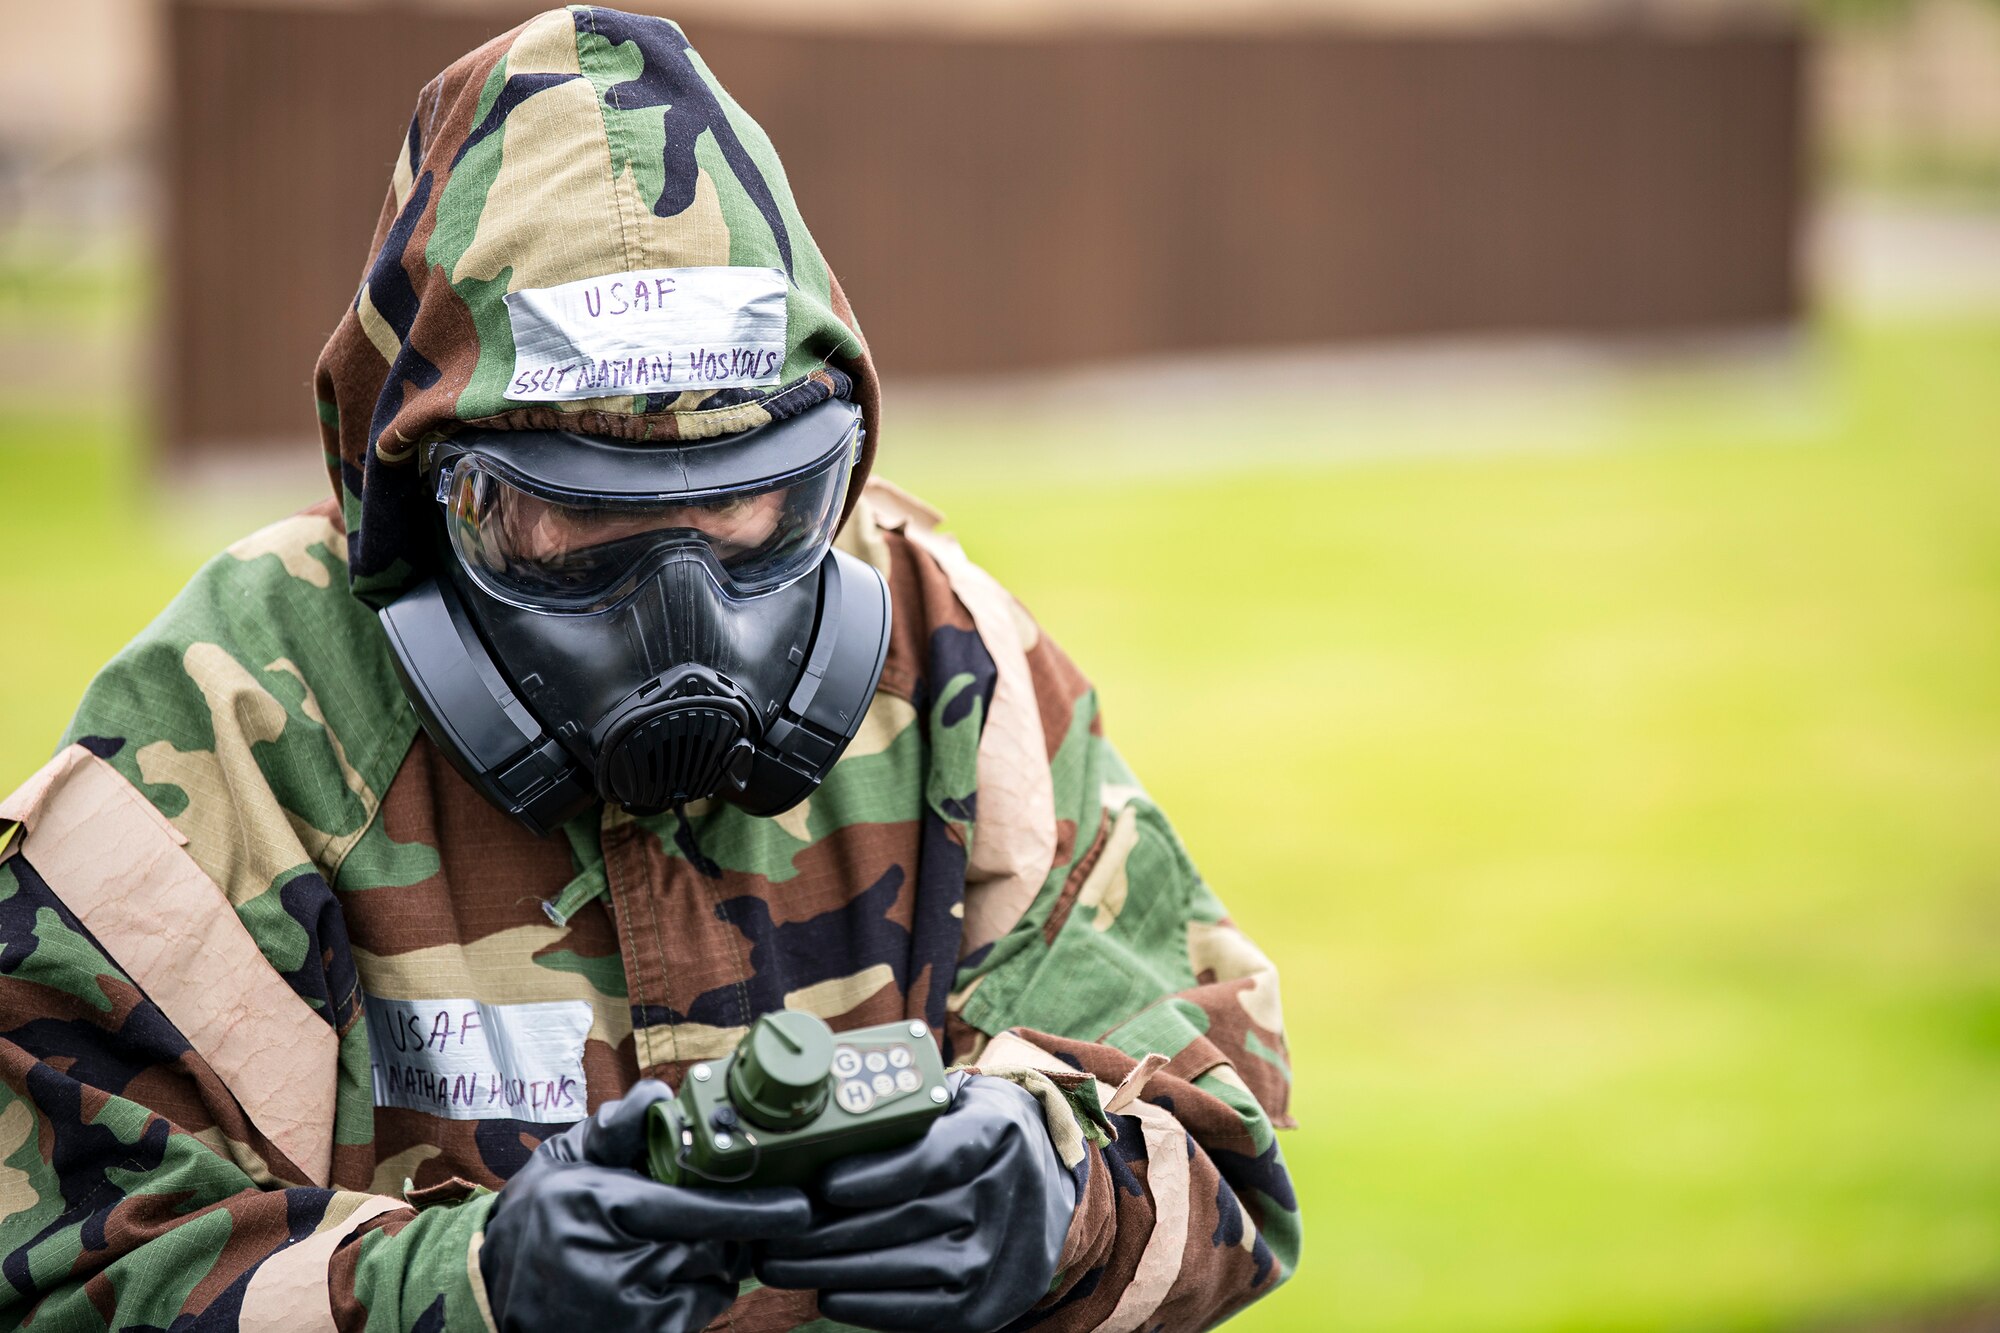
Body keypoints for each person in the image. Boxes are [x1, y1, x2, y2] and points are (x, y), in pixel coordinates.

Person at [0, 9, 1299, 1331]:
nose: (688, 626)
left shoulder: (944, 648)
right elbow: (66, 1269)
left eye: (751, 516)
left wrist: (1061, 1196)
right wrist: (466, 1291)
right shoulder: (234, 720)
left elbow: (1220, 1128)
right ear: (423, 496)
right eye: (587, 524)